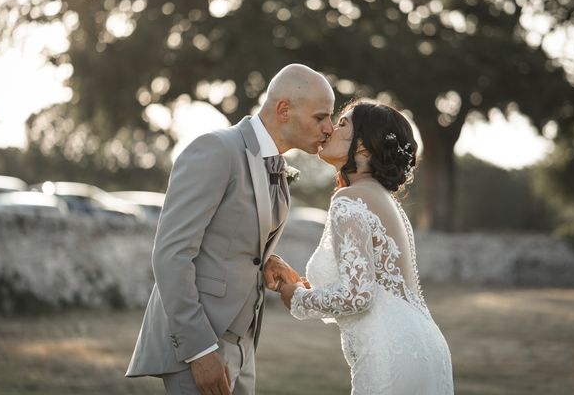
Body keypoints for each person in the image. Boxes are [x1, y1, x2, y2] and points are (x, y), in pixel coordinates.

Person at [126, 64, 335, 395]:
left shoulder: (274, 164)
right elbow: (171, 254)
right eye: (321, 117)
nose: (330, 128)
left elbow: (231, 236)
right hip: (201, 343)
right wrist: (199, 351)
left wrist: (267, 259)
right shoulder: (215, 150)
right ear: (284, 110)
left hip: (244, 345)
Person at [278, 100, 454, 394]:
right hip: (426, 345)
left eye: (343, 124)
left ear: (363, 147)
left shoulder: (350, 199)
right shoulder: (385, 200)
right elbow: (375, 288)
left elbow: (358, 294)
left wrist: (296, 298)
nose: (331, 128)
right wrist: (308, 288)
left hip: (390, 352)